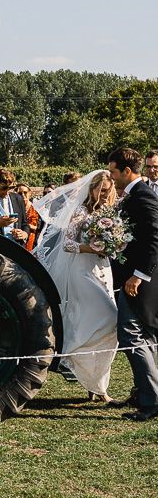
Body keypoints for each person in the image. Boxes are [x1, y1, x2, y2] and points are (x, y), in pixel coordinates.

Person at [34, 170, 118, 401]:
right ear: (91, 189)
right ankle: (70, 351)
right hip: (82, 273)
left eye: (108, 190)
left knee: (108, 328)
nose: (104, 194)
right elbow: (68, 244)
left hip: (103, 270)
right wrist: (93, 248)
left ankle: (97, 387)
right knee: (106, 319)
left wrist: (114, 245)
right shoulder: (81, 212)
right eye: (101, 190)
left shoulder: (109, 214)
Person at [107, 148, 158, 420]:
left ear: (127, 171)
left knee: (132, 336)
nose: (111, 177)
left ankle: (151, 402)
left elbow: (154, 239)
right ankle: (144, 393)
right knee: (144, 337)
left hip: (139, 281)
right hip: (130, 277)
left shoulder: (144, 197)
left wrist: (139, 275)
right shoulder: (132, 196)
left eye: (114, 171)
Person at [15, 183, 40, 251]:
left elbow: (39, 227)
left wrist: (26, 226)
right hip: (18, 238)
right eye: (20, 193)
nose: (23, 195)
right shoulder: (14, 207)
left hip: (32, 239)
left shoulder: (36, 208)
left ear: (29, 193)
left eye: (25, 192)